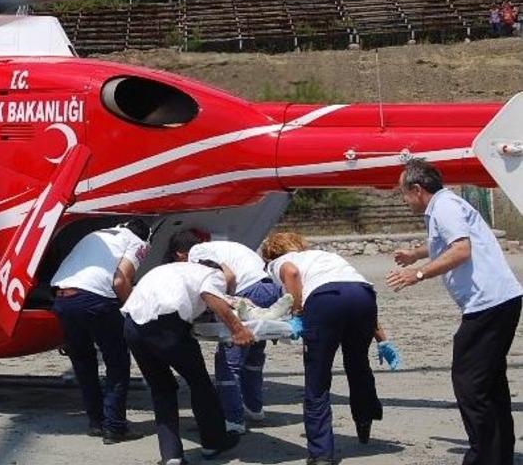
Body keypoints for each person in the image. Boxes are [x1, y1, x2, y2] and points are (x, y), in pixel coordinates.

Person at [386, 158, 522, 465]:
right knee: (490, 383)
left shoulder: (444, 207)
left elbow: (461, 249)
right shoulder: (445, 205)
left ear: (417, 189)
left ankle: (484, 457)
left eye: (403, 193)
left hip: (488, 303)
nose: (404, 200)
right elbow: (447, 241)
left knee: (470, 384)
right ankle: (498, 455)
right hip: (498, 300)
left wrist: (418, 273)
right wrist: (416, 254)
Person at [262, 232, 397, 465]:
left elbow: (291, 274)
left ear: (271, 254)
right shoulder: (326, 256)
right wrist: (382, 339)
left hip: (324, 301)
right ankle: (364, 419)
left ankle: (321, 454)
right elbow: (349, 292)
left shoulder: (278, 262)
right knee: (358, 364)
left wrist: (297, 313)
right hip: (363, 295)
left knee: (318, 379)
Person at [122, 260, 249, 465]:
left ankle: (171, 455)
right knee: (199, 383)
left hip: (132, 326)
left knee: (162, 389)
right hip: (166, 327)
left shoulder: (172, 270)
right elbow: (211, 297)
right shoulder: (212, 275)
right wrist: (239, 330)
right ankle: (213, 442)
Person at [50, 219, 150, 444]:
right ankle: (114, 427)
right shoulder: (138, 242)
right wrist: (137, 312)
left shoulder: (99, 234)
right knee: (117, 362)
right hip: (94, 299)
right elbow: (120, 281)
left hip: (62, 298)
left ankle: (96, 421)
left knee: (83, 362)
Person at [186, 239, 285, 434]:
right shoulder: (230, 247)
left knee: (229, 363)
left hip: (246, 293)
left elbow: (228, 276)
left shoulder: (196, 251)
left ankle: (232, 420)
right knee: (254, 354)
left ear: (179, 254)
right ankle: (254, 408)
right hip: (267, 290)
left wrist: (226, 300)